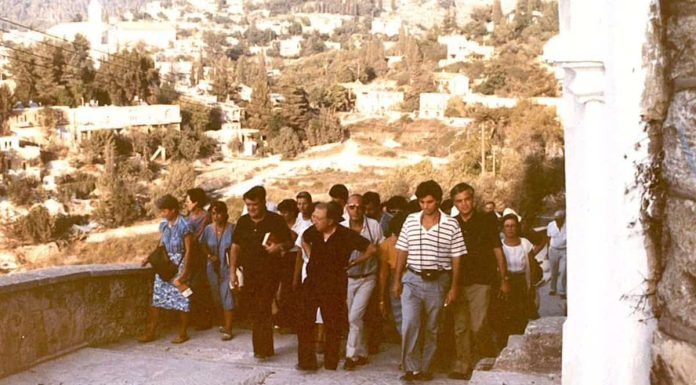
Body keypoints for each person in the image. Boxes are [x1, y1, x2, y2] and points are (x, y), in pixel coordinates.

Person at [392, 180, 467, 381]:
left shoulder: (451, 224)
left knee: (433, 327)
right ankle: (410, 367)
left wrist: (454, 287)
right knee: (410, 324)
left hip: (438, 281)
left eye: (430, 202)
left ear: (439, 201)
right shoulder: (410, 220)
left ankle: (425, 368)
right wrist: (397, 280)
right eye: (422, 202)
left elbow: (457, 257)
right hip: (412, 279)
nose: (425, 206)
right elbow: (402, 251)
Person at [296, 202, 379, 371]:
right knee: (304, 321)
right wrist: (310, 255)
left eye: (319, 218)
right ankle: (306, 362)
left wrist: (354, 262)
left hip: (334, 285)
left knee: (332, 324)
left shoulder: (346, 235)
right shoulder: (314, 231)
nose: (315, 221)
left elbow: (371, 249)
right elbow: (304, 238)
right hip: (312, 282)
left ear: (331, 221)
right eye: (314, 217)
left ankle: (330, 362)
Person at [448, 183, 510, 380]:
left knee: (479, 325)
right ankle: (462, 364)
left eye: (467, 199)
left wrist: (504, 278)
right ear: (454, 204)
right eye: (459, 201)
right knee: (460, 326)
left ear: (473, 199)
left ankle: (481, 361)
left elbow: (497, 250)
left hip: (481, 280)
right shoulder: (451, 223)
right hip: (458, 281)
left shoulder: (486, 221)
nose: (464, 204)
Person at [229, 186, 293, 359]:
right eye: (248, 205)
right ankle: (264, 348)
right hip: (250, 273)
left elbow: (289, 242)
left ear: (264, 202)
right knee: (258, 309)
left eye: (255, 205)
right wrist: (232, 272)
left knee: (262, 307)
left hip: (271, 272)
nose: (251, 209)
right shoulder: (243, 222)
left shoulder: (276, 220)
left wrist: (278, 247)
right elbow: (235, 246)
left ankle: (261, 350)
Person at [139, 194, 195, 344]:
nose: (162, 214)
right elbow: (160, 244)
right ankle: (151, 331)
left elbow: (189, 250)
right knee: (157, 298)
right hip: (165, 265)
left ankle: (183, 333)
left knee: (183, 298)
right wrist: (149, 257)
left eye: (164, 211)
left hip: (180, 263)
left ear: (174, 210)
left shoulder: (185, 225)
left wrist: (184, 273)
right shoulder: (164, 225)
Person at [343, 194, 384, 370]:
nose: (356, 210)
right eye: (352, 207)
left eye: (359, 207)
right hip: (347, 278)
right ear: (346, 208)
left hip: (368, 277)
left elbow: (380, 251)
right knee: (353, 317)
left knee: (354, 316)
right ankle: (362, 352)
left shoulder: (373, 226)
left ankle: (350, 356)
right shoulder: (341, 227)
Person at [499, 214, 543, 342]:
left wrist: (531, 285)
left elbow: (531, 265)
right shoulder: (500, 246)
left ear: (517, 227)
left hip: (522, 281)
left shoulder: (525, 243)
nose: (510, 229)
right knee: (507, 314)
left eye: (513, 226)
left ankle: (522, 341)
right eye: (507, 226)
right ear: (503, 229)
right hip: (507, 281)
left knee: (522, 314)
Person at [200, 201, 235, 341]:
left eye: (219, 213)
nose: (216, 216)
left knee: (227, 296)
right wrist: (209, 255)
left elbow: (238, 247)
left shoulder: (232, 228)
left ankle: (229, 328)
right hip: (212, 268)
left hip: (227, 267)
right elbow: (202, 245)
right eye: (213, 213)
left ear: (225, 214)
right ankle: (222, 322)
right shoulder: (208, 229)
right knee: (217, 297)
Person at [377, 211, 408, 336]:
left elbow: (383, 273)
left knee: (399, 315)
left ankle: (406, 342)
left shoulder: (387, 244)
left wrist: (382, 298)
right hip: (410, 279)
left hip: (395, 279)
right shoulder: (415, 240)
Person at [276, 198, 301, 332]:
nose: (283, 215)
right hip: (283, 256)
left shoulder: (299, 224)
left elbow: (295, 239)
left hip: (294, 256)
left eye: (285, 212)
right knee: (282, 290)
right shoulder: (280, 224)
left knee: (292, 288)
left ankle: (292, 323)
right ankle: (284, 321)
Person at [547, 210, 567, 299]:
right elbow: (548, 238)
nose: (557, 221)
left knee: (563, 271)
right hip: (553, 250)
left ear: (563, 218)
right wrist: (547, 252)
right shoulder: (551, 225)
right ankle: (552, 288)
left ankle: (562, 291)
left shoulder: (568, 226)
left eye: (559, 219)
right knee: (553, 271)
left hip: (564, 251)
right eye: (556, 219)